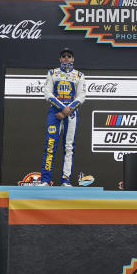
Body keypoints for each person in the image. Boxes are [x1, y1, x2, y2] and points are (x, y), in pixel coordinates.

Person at [39, 47, 86, 186]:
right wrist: (62, 108)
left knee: (69, 147)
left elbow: (82, 96)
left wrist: (66, 111)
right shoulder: (52, 73)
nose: (66, 58)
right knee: (50, 145)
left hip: (71, 114)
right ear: (60, 59)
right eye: (63, 56)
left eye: (69, 56)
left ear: (73, 59)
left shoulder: (79, 75)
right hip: (55, 113)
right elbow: (47, 93)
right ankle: (46, 180)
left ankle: (66, 180)